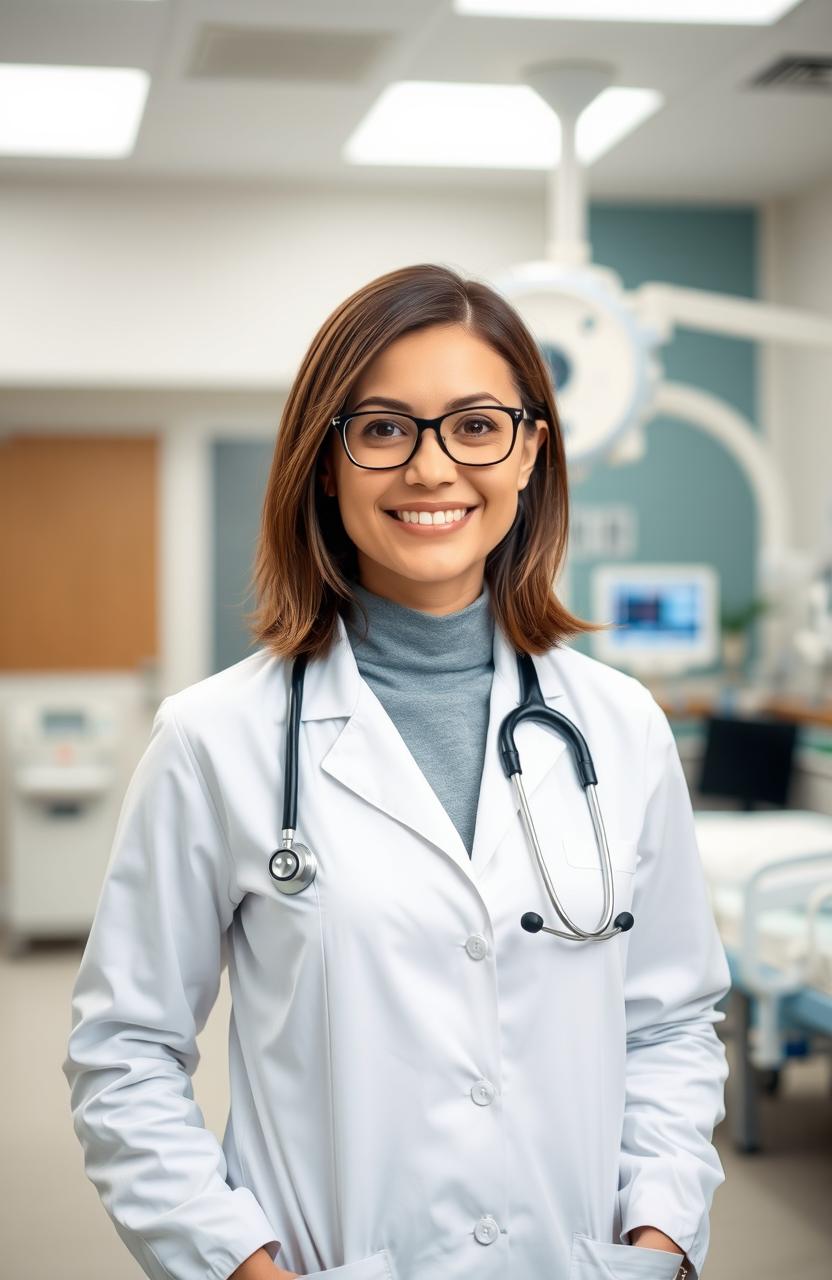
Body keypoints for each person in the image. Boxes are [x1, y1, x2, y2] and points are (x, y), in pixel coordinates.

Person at [63, 263, 729, 1280]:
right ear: (326, 462)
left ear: (529, 454)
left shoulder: (620, 726)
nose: (431, 468)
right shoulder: (215, 737)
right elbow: (124, 1054)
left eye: (474, 425)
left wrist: (660, 1232)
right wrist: (240, 1265)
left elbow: (672, 1020)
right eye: (382, 428)